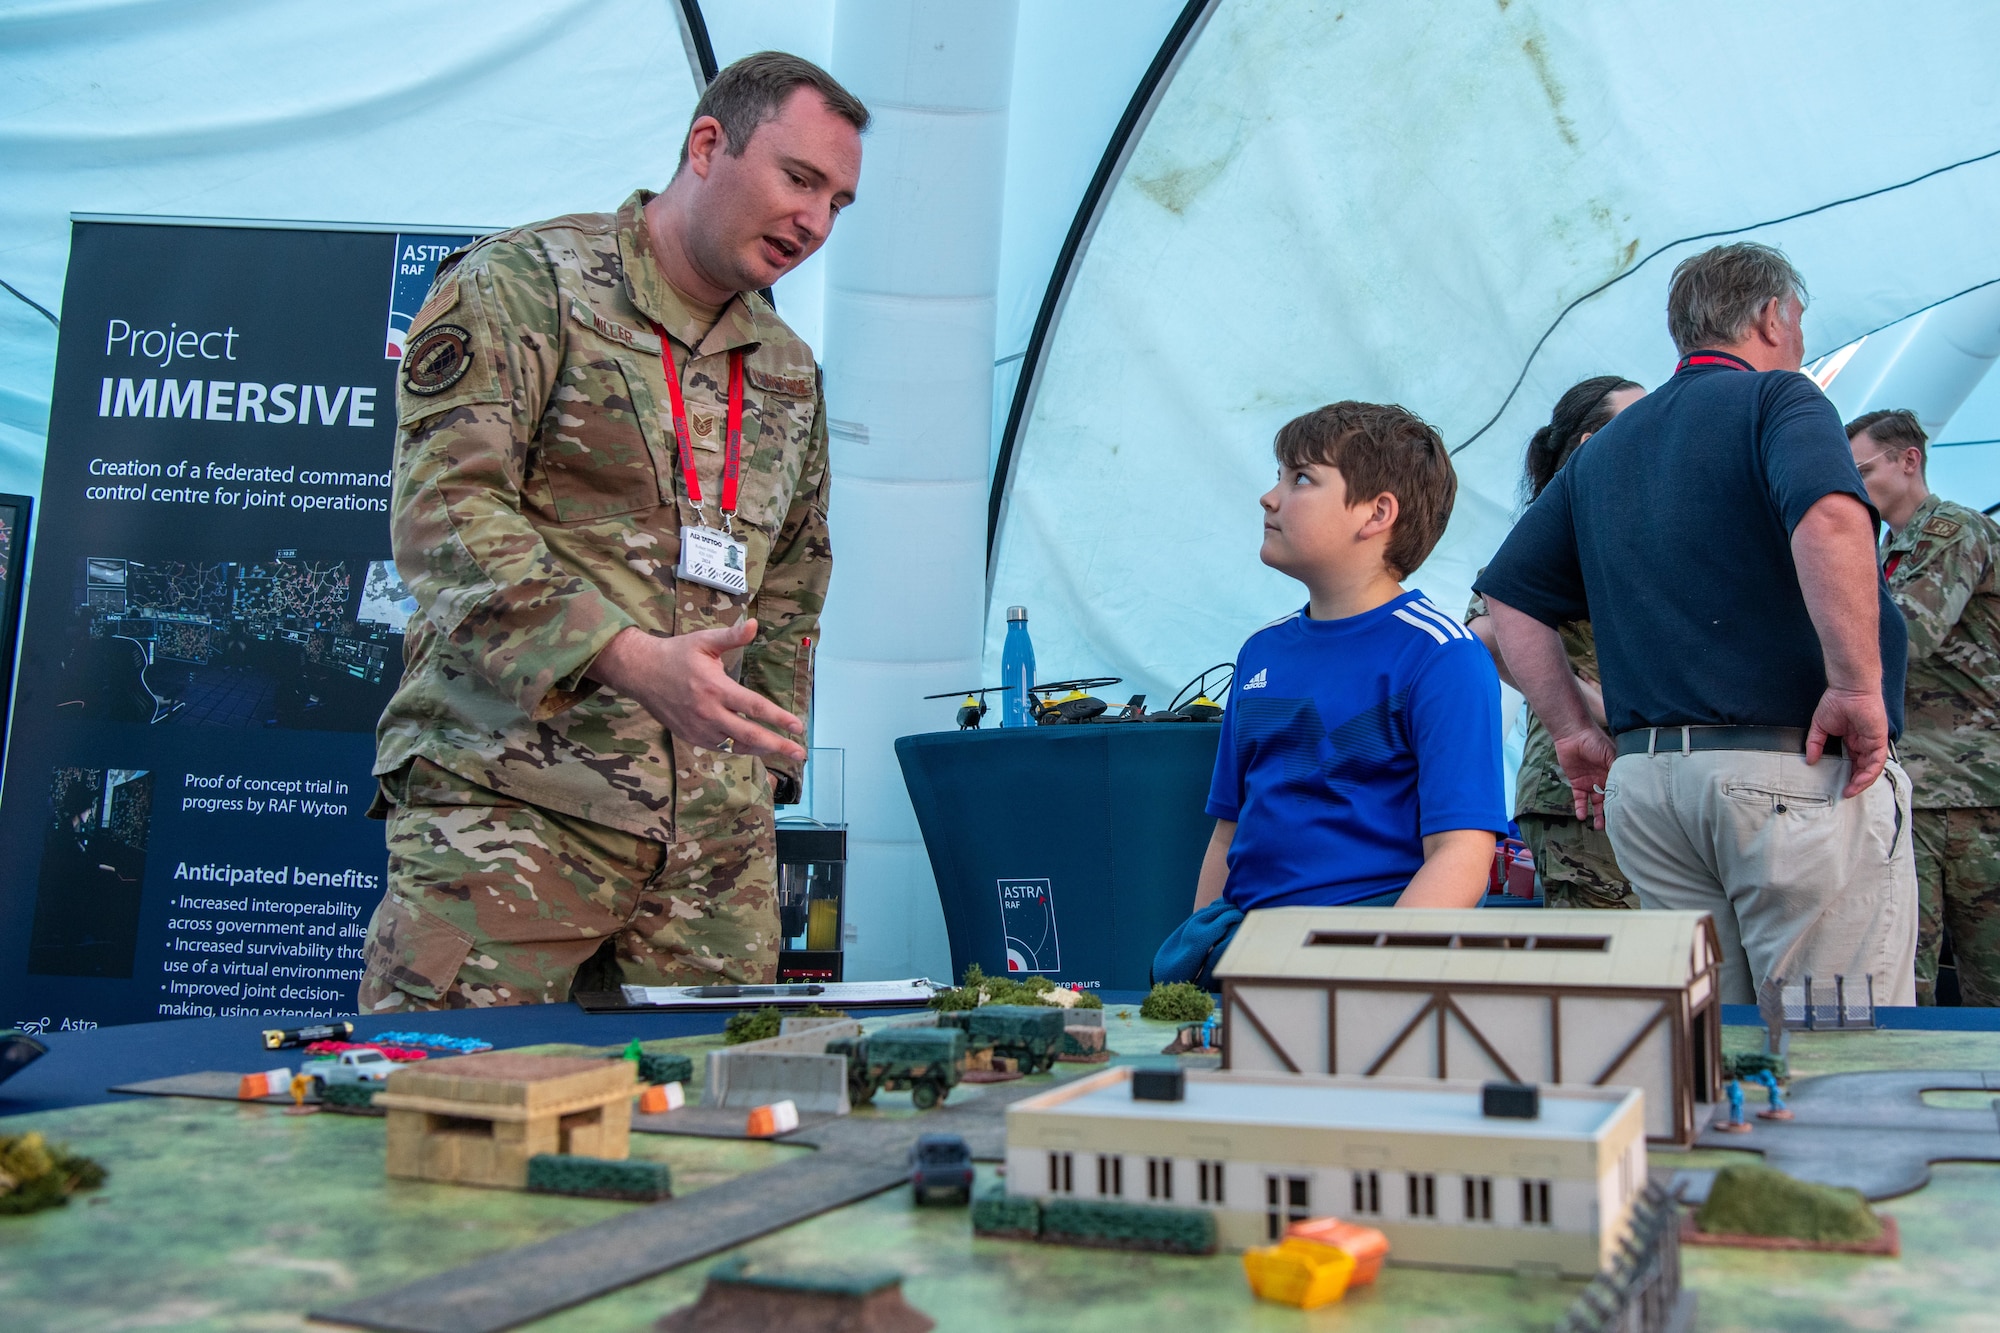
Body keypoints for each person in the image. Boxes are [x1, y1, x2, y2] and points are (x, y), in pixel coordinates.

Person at [357, 53, 867, 1012]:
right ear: (707, 145)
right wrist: (629, 659)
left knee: (705, 1103)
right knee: (456, 1093)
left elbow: (794, 575)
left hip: (711, 863)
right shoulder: (528, 285)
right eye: (799, 179)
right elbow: (447, 515)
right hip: (513, 811)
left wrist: (759, 769)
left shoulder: (789, 367)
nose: (814, 221)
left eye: (837, 201)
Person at [1477, 242, 1917, 1007]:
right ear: (1771, 316)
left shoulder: (1608, 447)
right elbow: (1829, 516)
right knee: (1835, 1037)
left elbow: (1507, 598)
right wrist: (1855, 684)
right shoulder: (1781, 399)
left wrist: (1573, 731)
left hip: (1652, 792)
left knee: (1710, 1035)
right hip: (1789, 775)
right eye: (1799, 317)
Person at [1152, 402, 1509, 988]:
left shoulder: (1442, 655)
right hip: (1246, 961)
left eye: (1300, 479)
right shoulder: (1260, 653)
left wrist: (1372, 981)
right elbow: (1228, 833)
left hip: (1359, 968)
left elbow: (1462, 855)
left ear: (1376, 513)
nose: (1269, 498)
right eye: (1279, 476)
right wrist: (1198, 968)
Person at [1466, 375, 1644, 909]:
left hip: (1651, 782)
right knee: (1611, 954)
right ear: (1593, 444)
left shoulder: (1641, 529)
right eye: (1639, 421)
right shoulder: (1556, 534)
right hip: (1578, 794)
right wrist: (1590, 706)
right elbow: (1485, 636)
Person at [1848, 408, 2000, 1005]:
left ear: (1908, 460)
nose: (1854, 483)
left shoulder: (1951, 531)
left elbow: (1908, 636)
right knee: (1902, 973)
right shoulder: (1886, 549)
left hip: (1972, 791)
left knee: (1988, 976)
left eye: (1863, 470)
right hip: (1916, 785)